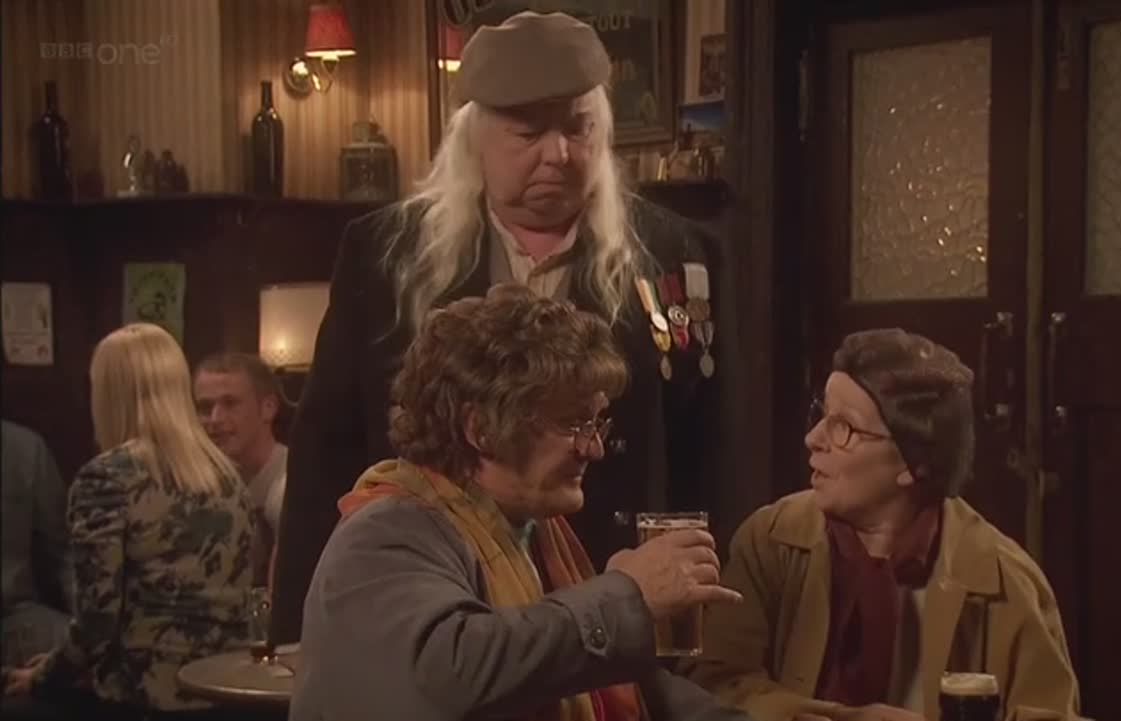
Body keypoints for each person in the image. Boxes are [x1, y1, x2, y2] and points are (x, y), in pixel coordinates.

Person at [273, 9, 735, 643]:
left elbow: (711, 450)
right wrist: (298, 634)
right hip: (433, 598)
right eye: (528, 133)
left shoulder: (676, 253)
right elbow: (325, 452)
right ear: (474, 139)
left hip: (618, 597)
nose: (559, 154)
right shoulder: (386, 254)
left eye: (578, 128)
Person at [291, 285, 746, 721]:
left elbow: (624, 684)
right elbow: (451, 673)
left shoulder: (532, 528)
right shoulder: (386, 533)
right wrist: (629, 595)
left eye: (596, 424)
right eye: (573, 424)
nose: (593, 448)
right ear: (480, 429)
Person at [681, 330, 1082, 721]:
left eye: (844, 428)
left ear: (914, 463)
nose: (813, 438)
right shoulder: (770, 541)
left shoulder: (1003, 579)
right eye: (821, 414)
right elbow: (713, 685)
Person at [3, 323, 253, 720]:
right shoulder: (228, 477)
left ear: (108, 393)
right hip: (223, 692)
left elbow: (95, 624)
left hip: (143, 699)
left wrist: (42, 676)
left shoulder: (106, 479)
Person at [193, 352, 288, 585]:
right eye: (205, 407)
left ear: (268, 407)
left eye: (230, 404)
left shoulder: (294, 483)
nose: (215, 419)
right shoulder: (197, 487)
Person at [1, 420, 72, 667]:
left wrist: (91, 629)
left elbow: (65, 553)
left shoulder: (25, 449)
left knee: (92, 654)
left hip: (13, 617)